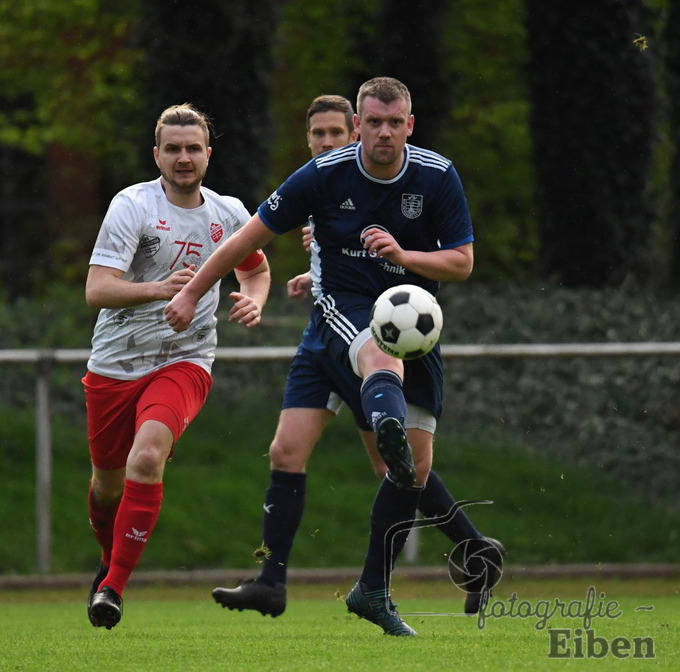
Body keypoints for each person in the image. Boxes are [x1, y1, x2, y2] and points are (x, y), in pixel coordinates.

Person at [167, 77, 489, 636]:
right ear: (359, 126)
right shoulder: (322, 175)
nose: (383, 132)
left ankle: (415, 571)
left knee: (409, 470)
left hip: (412, 323)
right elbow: (246, 240)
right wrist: (194, 292)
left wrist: (404, 255)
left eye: (395, 122)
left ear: (410, 125)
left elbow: (461, 262)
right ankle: (273, 579)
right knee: (292, 445)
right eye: (374, 122)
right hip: (339, 317)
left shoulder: (437, 175)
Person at [83, 104, 270, 630]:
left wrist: (254, 299)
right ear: (156, 155)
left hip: (185, 361)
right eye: (173, 149)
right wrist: (159, 289)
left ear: (208, 155)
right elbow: (97, 289)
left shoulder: (229, 213)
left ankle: (113, 589)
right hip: (116, 363)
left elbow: (256, 268)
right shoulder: (132, 206)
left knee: (147, 458)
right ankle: (109, 561)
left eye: (193, 149)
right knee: (107, 487)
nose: (183, 158)